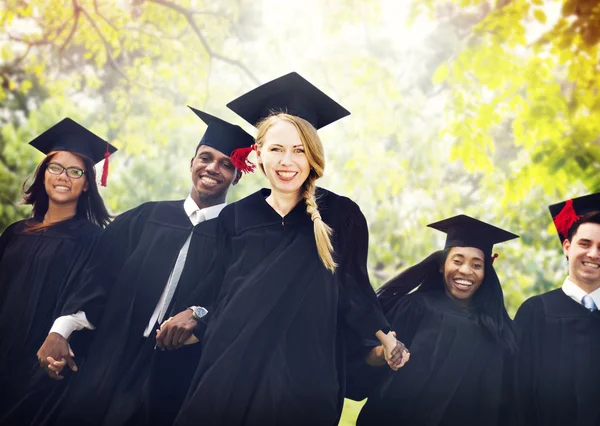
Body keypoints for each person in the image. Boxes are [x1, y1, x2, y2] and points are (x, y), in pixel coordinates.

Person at [172, 72, 408, 426]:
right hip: (230, 366)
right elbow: (217, 291)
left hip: (305, 375)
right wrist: (195, 318)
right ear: (258, 154)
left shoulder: (341, 215)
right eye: (276, 149)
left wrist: (386, 338)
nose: (287, 161)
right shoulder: (235, 216)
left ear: (313, 156)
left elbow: (355, 289)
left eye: (299, 150)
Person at [35, 108, 255, 426]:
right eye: (205, 157)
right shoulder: (143, 218)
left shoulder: (239, 241)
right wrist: (62, 329)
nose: (212, 168)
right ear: (192, 162)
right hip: (108, 364)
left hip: (173, 380)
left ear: (237, 176)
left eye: (226, 164)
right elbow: (97, 279)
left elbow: (235, 305)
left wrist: (201, 315)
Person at [350, 214, 518, 426]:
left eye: (477, 265)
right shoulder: (416, 307)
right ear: (442, 265)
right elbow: (364, 360)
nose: (465, 271)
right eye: (457, 261)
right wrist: (384, 353)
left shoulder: (499, 329)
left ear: (486, 271)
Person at [0, 117, 117, 422]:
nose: (64, 176)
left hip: (39, 363)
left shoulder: (94, 239)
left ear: (87, 182)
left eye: (75, 171)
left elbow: (94, 294)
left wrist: (60, 335)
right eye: (56, 168)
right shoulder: (16, 232)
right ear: (43, 175)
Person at [512, 193, 600, 426]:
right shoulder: (534, 313)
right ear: (567, 247)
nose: (593, 254)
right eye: (585, 244)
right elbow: (515, 397)